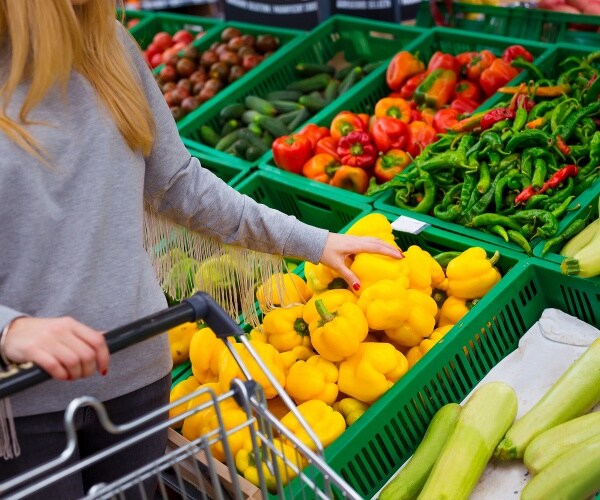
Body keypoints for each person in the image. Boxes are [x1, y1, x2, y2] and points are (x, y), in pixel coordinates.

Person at [0, 0, 403, 497]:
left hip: (137, 374)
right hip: (21, 406)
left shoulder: (111, 51)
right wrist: (9, 327)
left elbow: (178, 184)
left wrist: (314, 242)